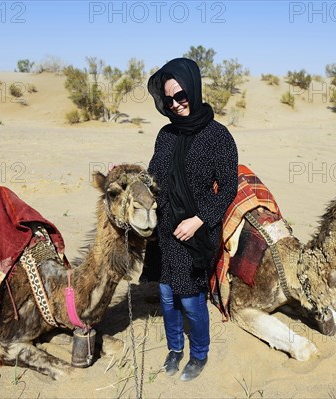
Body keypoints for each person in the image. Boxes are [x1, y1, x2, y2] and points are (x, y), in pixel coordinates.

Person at [146, 58, 238, 381]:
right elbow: (153, 177)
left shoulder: (218, 136)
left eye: (181, 96)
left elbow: (228, 188)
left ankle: (199, 353)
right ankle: (175, 348)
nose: (176, 104)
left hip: (196, 233)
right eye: (169, 99)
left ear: (194, 90)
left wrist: (199, 220)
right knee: (167, 295)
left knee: (190, 299)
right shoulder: (165, 135)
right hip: (166, 231)